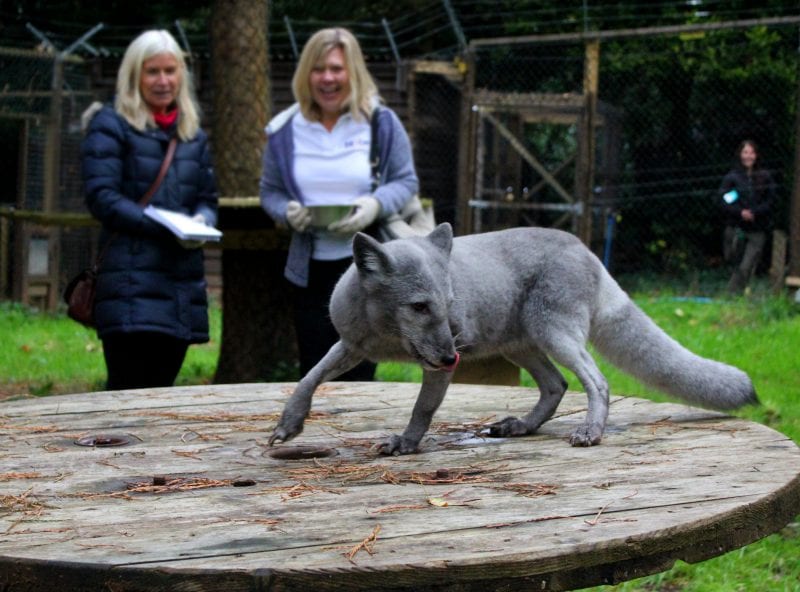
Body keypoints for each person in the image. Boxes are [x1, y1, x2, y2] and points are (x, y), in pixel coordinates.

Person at [260, 27, 419, 380]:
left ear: (353, 72)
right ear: (306, 74)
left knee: (360, 370)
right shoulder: (285, 130)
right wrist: (286, 212)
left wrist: (375, 206)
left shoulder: (381, 123)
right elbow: (269, 191)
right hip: (309, 268)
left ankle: (357, 435)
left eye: (336, 68)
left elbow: (406, 181)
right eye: (318, 69)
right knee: (316, 370)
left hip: (367, 271)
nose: (327, 78)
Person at [81, 30, 218, 390]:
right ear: (134, 75)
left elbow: (207, 197)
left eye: (170, 71)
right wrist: (163, 225)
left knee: (163, 391)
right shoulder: (110, 125)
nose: (163, 81)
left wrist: (203, 221)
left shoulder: (192, 134)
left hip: (181, 285)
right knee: (127, 391)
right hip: (129, 282)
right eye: (152, 72)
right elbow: (102, 196)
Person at [718, 139, 776, 294]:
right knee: (734, 262)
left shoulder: (765, 176)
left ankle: (731, 295)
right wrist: (740, 213)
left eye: (751, 152)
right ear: (740, 155)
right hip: (736, 227)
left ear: (756, 155)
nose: (748, 156)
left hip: (757, 229)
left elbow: (770, 201)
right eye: (745, 152)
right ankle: (735, 294)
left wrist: (755, 213)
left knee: (746, 265)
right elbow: (723, 200)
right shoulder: (732, 178)